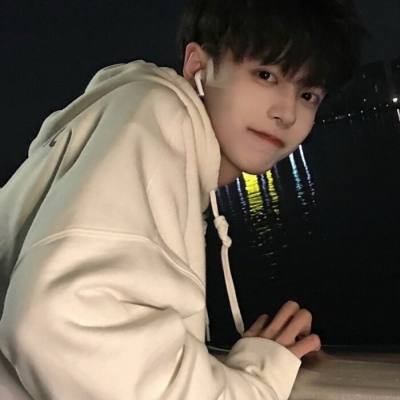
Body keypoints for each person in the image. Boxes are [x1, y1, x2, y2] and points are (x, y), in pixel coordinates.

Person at [0, 0, 365, 398]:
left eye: (308, 94)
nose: (287, 113)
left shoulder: (141, 125)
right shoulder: (158, 116)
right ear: (197, 66)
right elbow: (57, 322)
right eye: (266, 75)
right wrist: (253, 386)